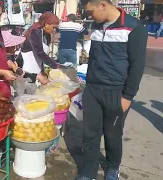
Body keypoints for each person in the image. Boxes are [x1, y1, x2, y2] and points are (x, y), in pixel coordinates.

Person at [75, 0, 148, 180]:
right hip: (93, 90)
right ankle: (89, 172)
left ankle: (113, 168)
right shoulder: (98, 26)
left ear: (102, 4)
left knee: (112, 135)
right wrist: (87, 85)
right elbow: (94, 57)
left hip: (116, 92)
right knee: (89, 135)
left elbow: (137, 65)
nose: (89, 17)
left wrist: (128, 96)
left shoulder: (133, 27)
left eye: (90, 12)